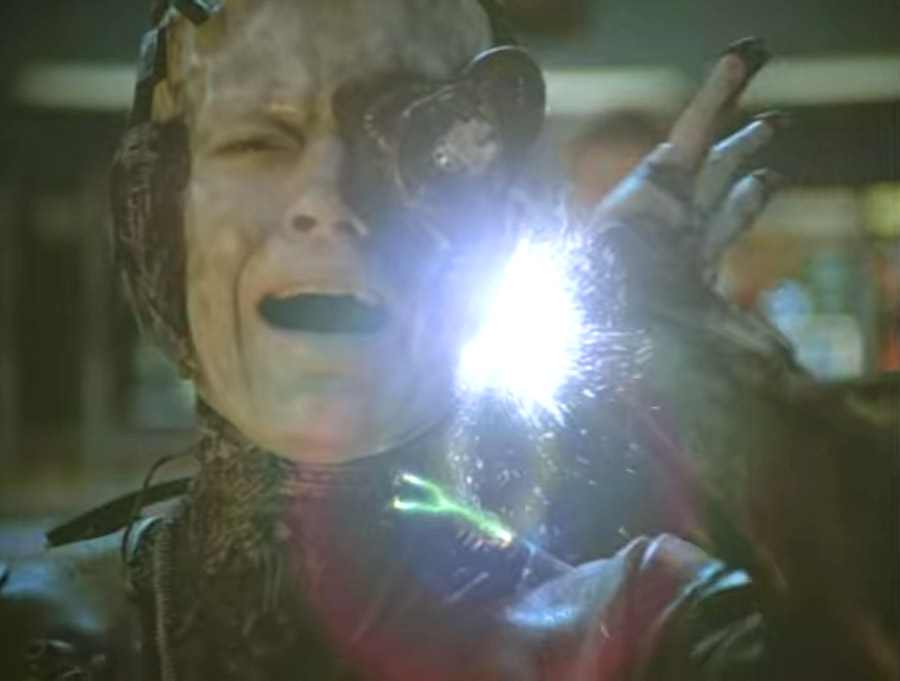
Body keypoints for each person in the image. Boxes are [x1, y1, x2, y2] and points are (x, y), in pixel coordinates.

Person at [1, 1, 896, 680]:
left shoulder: (632, 627)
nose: (330, 201)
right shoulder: (31, 621)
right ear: (157, 217)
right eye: (257, 141)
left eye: (419, 141)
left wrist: (701, 363)